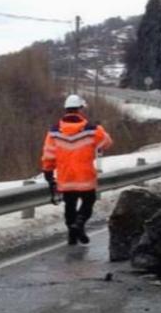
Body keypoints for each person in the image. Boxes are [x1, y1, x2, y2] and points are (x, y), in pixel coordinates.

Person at [41, 94, 113, 245]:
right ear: (80, 109)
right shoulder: (91, 129)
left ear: (66, 110)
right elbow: (106, 142)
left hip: (66, 177)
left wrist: (48, 172)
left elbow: (48, 154)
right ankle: (79, 224)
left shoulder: (54, 131)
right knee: (88, 201)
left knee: (70, 205)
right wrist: (99, 129)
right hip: (85, 176)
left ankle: (72, 236)